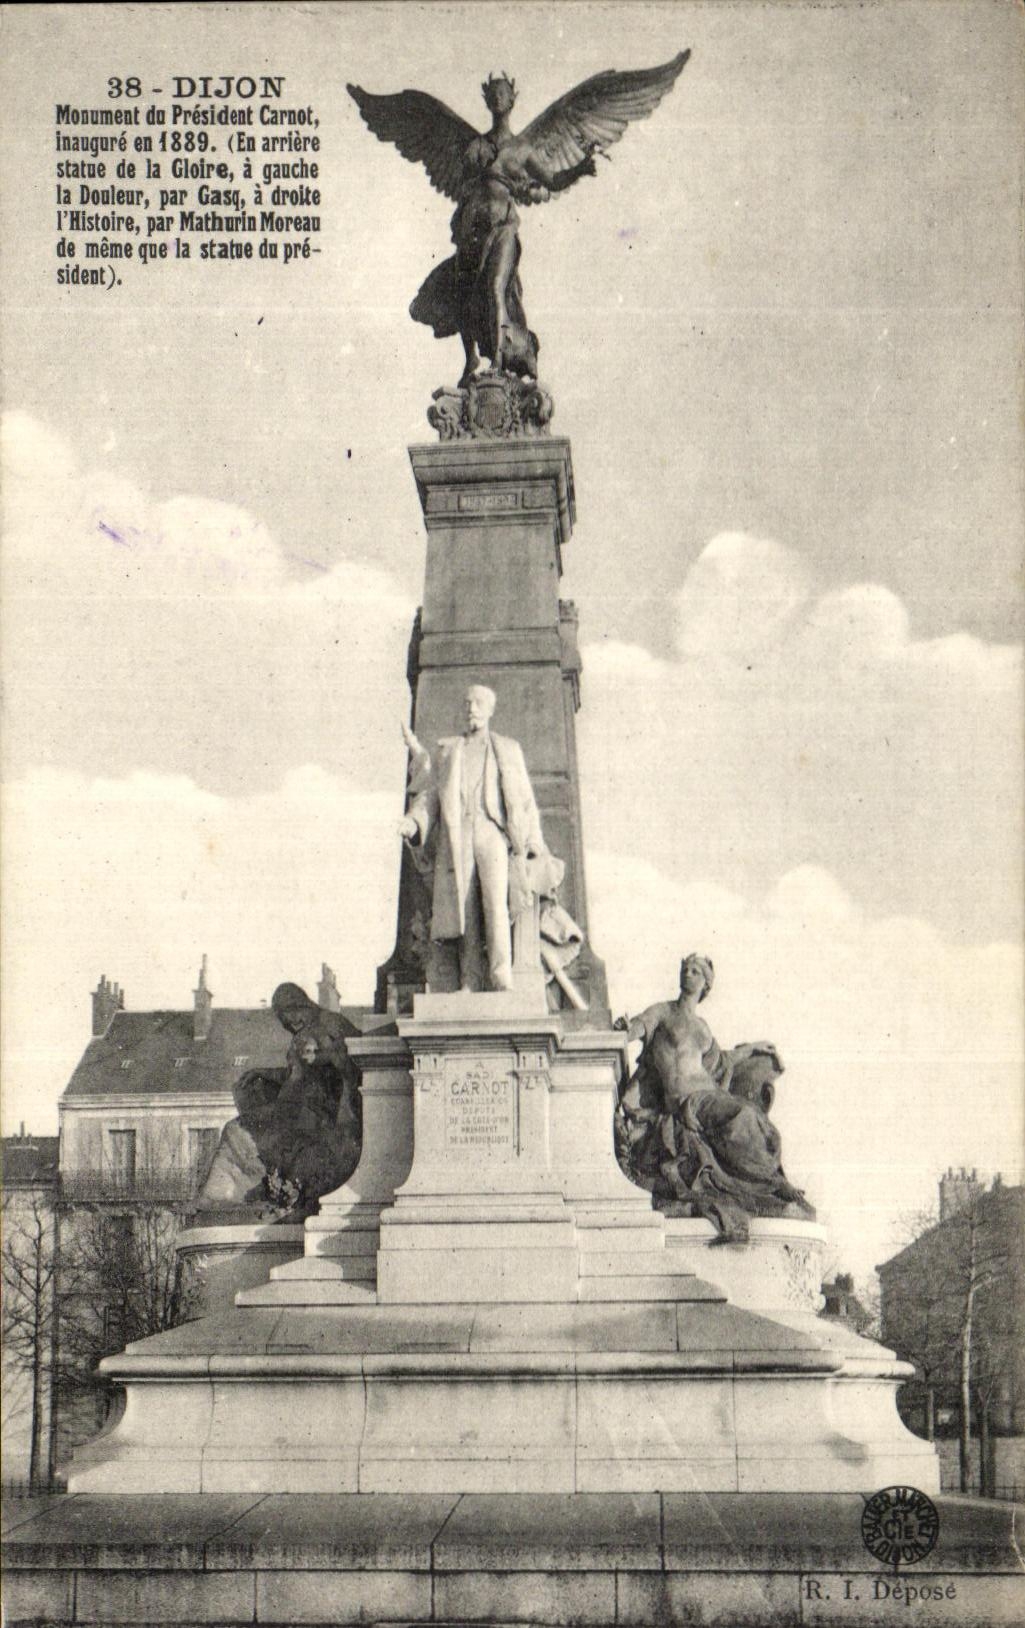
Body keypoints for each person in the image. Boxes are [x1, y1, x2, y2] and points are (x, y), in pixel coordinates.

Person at [615, 955, 812, 1242]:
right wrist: (624, 1029)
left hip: (708, 1094)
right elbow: (638, 1026)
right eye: (686, 969)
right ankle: (770, 1183)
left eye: (696, 972)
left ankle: (770, 1183)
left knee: (757, 1121)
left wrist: (752, 1048)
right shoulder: (663, 1012)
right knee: (743, 1117)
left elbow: (721, 1062)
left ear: (706, 984)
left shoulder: (703, 1028)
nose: (688, 975)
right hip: (688, 1102)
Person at [398, 684, 550, 992]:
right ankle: (469, 979)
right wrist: (414, 823)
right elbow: (430, 796)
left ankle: (500, 974)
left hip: (491, 831)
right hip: (458, 834)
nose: (472, 708)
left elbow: (523, 800)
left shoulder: (506, 748)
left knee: (495, 904)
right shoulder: (448, 751)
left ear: (491, 710)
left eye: (479, 703)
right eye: (467, 703)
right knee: (463, 908)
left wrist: (533, 842)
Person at [197, 983, 362, 1221]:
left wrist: (322, 1057)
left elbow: (356, 1063)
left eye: (295, 1011)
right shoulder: (305, 1032)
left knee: (236, 1131)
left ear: (306, 1004)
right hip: (294, 1110)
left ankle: (221, 1197)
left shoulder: (331, 1023)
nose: (292, 1021)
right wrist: (264, 1073)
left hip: (316, 1116)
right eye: (284, 1017)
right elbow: (295, 1076)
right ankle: (219, 1198)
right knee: (239, 1126)